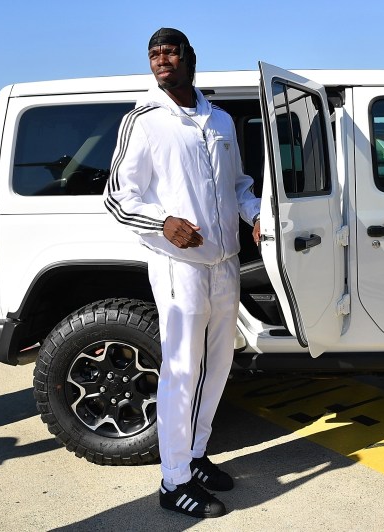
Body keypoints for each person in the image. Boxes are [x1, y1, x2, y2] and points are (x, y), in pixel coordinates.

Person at [105, 27, 260, 519]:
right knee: (180, 371)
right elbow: (117, 196)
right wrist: (164, 223)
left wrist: (255, 215)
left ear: (191, 58)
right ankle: (173, 481)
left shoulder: (221, 121)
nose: (161, 59)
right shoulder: (144, 120)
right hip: (179, 267)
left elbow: (238, 185)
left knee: (216, 367)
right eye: (154, 53)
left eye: (170, 51)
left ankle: (194, 455)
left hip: (225, 263)